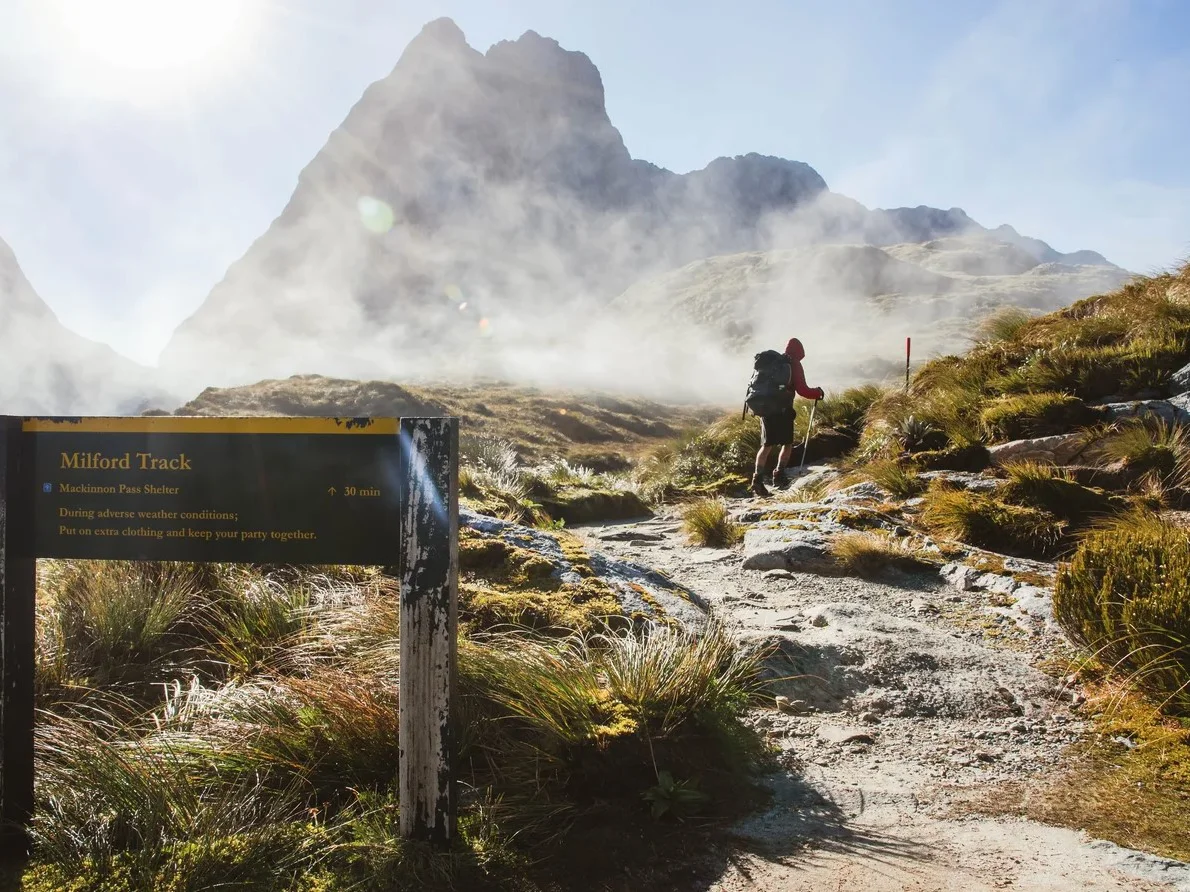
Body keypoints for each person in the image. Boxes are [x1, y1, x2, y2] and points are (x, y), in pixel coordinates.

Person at [751, 337, 824, 497]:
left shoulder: (774, 363)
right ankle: (779, 475)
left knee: (767, 445)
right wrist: (818, 393)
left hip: (766, 409)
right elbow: (803, 390)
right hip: (783, 410)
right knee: (787, 443)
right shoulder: (793, 365)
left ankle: (757, 481)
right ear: (800, 352)